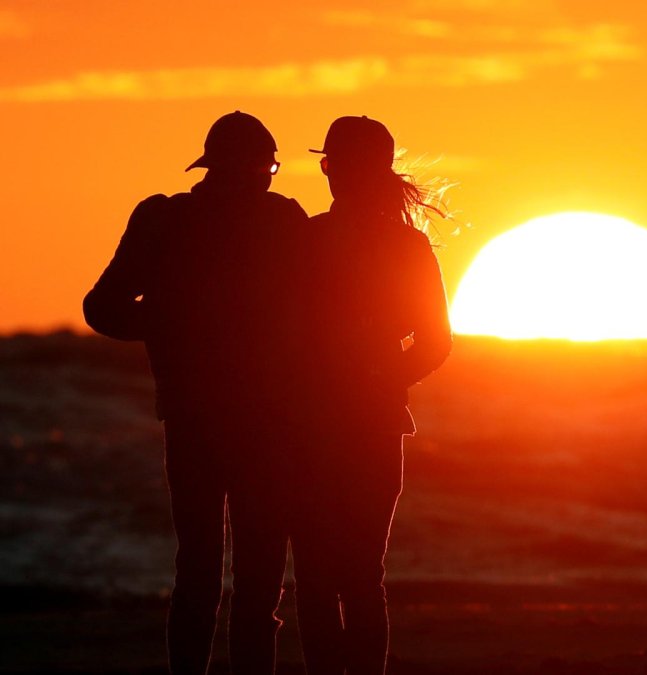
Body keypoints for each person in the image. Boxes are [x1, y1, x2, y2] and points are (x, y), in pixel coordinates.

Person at [83, 112, 308, 674]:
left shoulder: (163, 219)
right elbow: (322, 318)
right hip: (266, 423)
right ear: (262, 169)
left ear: (208, 166)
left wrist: (164, 322)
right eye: (270, 169)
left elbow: (102, 308)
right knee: (257, 573)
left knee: (199, 568)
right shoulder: (283, 221)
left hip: (193, 417)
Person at [290, 116, 452, 675]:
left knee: (318, 575)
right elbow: (435, 343)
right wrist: (385, 377)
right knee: (361, 576)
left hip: (312, 429)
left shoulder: (307, 240)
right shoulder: (406, 245)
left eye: (332, 164)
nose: (331, 174)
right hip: (373, 424)